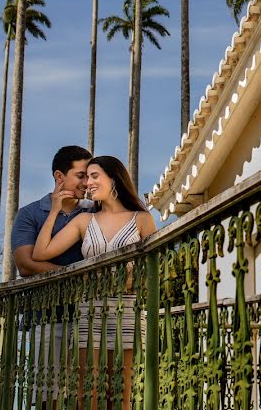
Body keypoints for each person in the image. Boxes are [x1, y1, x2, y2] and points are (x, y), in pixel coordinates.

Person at [32, 155, 156, 410]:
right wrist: (55, 209)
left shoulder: (141, 218)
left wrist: (134, 278)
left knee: (120, 394)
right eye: (86, 177)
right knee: (87, 394)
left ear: (114, 179)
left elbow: (155, 267)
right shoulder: (84, 221)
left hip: (128, 312)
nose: (88, 183)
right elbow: (40, 253)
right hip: (91, 312)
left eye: (94, 176)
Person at [10, 144, 94, 408]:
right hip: (46, 315)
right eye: (81, 175)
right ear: (60, 177)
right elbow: (25, 263)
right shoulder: (30, 214)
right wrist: (79, 276)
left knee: (90, 394)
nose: (87, 182)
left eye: (90, 175)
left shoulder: (96, 211)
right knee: (48, 396)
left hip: (90, 315)